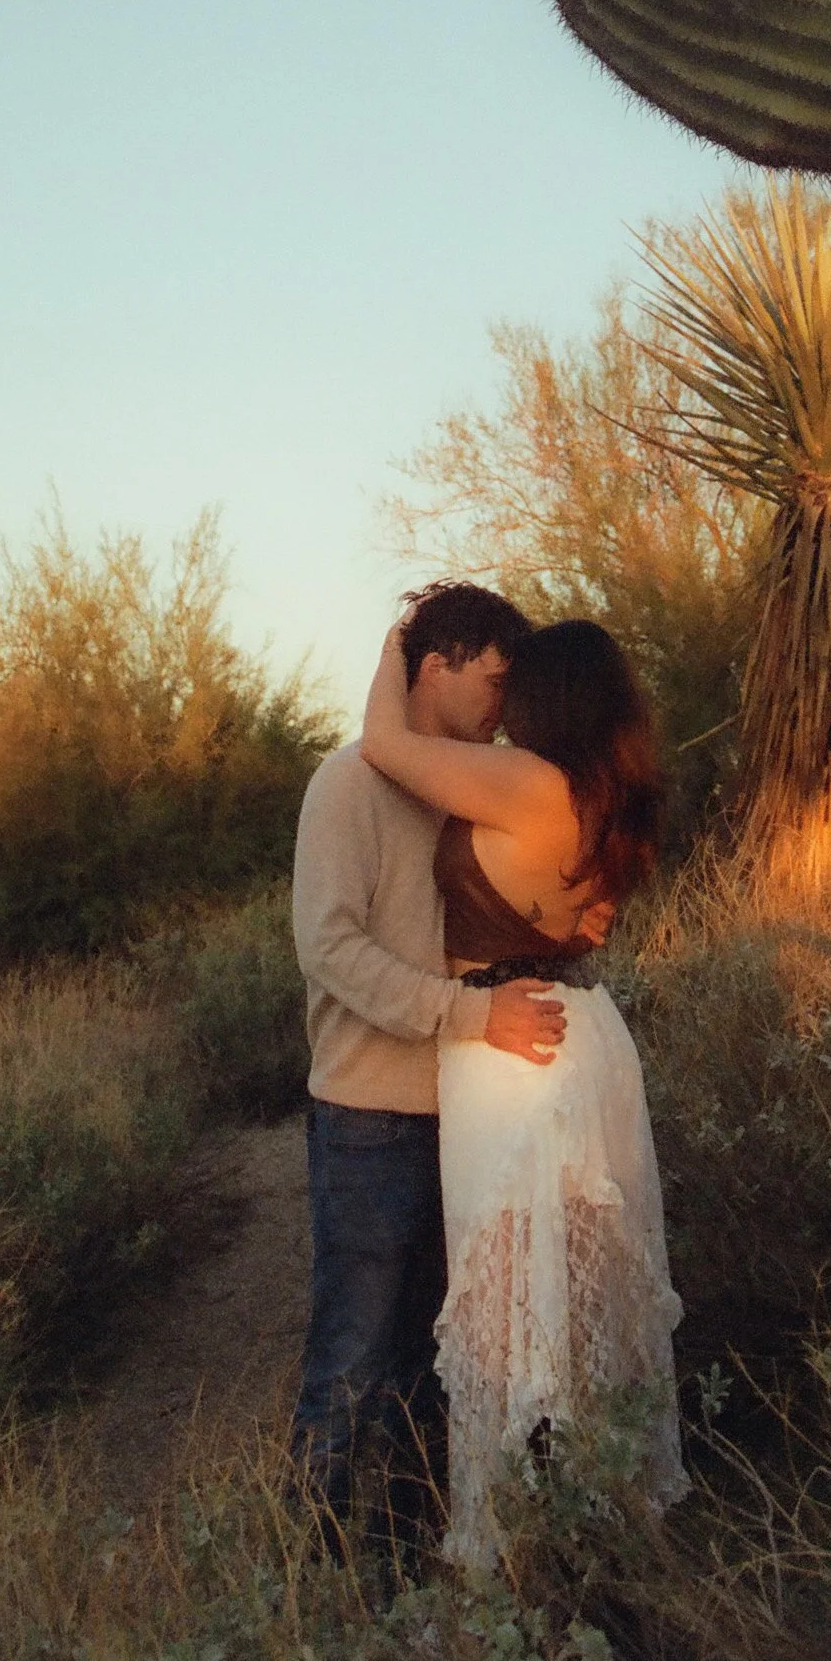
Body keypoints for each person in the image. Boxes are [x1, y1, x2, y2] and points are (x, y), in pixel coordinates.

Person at [360, 608, 685, 1570]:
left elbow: (384, 743)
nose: (502, 704)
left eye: (516, 686)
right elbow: (585, 921)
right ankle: (605, 1527)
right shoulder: (607, 794)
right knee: (584, 1294)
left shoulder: (525, 781)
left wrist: (398, 645)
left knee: (507, 1304)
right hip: (583, 1035)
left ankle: (511, 1552)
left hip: (509, 1058)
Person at [289, 582, 558, 1552]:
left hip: (464, 1110)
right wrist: (470, 1014)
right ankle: (308, 1571)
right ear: (434, 664)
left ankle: (402, 1557)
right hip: (367, 1116)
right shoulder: (345, 785)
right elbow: (329, 947)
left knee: (434, 1361)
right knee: (352, 1357)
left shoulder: (464, 785)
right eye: (489, 676)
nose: (499, 702)